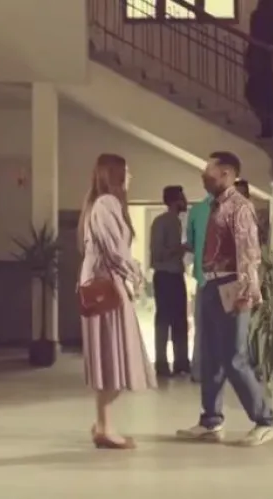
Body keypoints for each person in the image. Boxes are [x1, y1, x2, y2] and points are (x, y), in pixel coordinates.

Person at [176, 152, 273, 447]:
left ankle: (267, 420)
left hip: (232, 286)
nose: (203, 176)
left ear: (226, 173)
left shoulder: (240, 207)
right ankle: (211, 421)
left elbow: (249, 253)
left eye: (208, 171)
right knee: (211, 356)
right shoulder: (215, 206)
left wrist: (246, 292)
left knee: (235, 358)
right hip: (211, 285)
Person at [78, 153, 158, 450]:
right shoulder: (106, 204)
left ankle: (103, 423)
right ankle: (105, 426)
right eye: (127, 171)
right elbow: (116, 251)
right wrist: (136, 274)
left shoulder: (99, 204)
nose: (131, 177)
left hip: (101, 285)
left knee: (110, 355)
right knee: (114, 355)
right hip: (107, 287)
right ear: (116, 175)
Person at [149, 185, 191, 377]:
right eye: (182, 198)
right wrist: (180, 248)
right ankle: (162, 363)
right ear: (175, 201)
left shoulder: (176, 222)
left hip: (175, 276)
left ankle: (181, 362)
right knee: (164, 320)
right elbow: (157, 254)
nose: (186, 202)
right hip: (165, 276)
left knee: (179, 320)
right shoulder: (162, 222)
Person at [244, 0, 273, 139]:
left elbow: (253, 39)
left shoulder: (256, 17)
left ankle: (267, 125)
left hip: (259, 62)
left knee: (254, 94)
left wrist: (249, 58)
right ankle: (272, 125)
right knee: (271, 97)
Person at [184, 189, 213, 383]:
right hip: (229, 279)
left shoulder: (196, 211)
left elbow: (191, 245)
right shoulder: (235, 209)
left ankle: (199, 371)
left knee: (202, 329)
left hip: (204, 278)